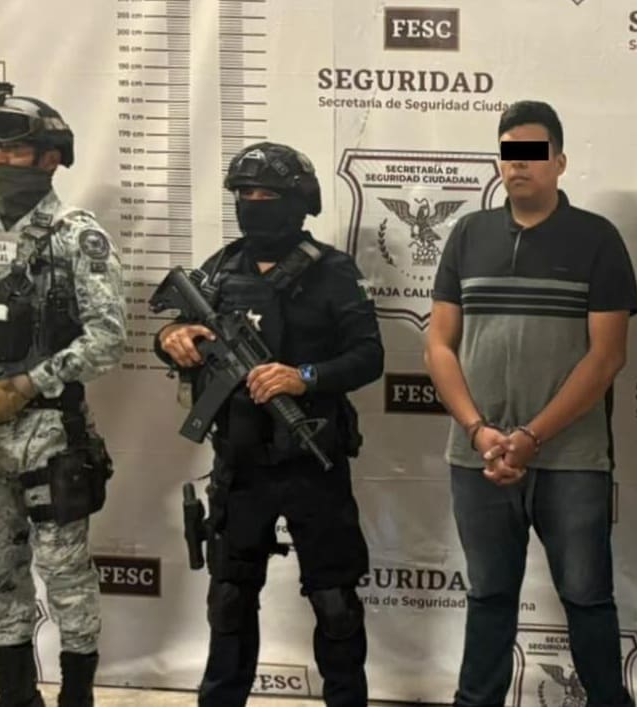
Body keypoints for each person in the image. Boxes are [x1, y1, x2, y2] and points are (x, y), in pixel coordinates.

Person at [424, 100, 637, 707]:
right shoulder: (468, 234)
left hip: (572, 458)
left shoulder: (597, 239)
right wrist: (478, 431)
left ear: (560, 162)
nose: (517, 165)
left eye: (532, 153)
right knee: (489, 596)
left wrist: (531, 436)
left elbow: (607, 356)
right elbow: (439, 345)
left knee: (587, 597)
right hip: (479, 455)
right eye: (508, 153)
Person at [153, 142, 384, 707]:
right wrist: (172, 338)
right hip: (240, 463)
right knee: (230, 600)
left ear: (299, 201)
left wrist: (303, 377)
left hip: (312, 461)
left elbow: (369, 357)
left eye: (267, 194)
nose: (253, 203)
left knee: (335, 603)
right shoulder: (219, 269)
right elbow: (177, 332)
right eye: (244, 193)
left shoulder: (332, 271)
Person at [0, 83, 126, 707]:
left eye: (14, 151)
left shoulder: (76, 236)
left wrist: (26, 385)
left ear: (51, 158)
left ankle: (76, 697)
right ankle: (15, 695)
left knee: (64, 573)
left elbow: (108, 337)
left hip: (47, 433)